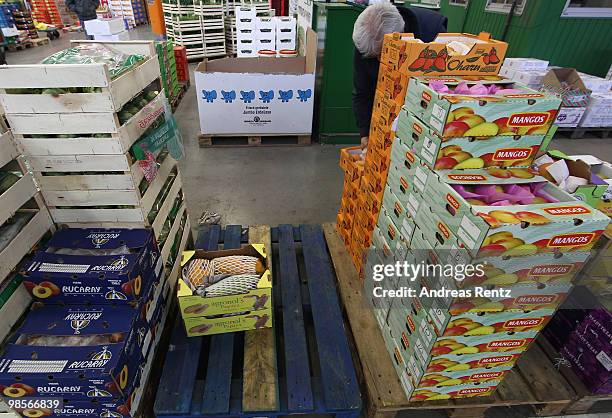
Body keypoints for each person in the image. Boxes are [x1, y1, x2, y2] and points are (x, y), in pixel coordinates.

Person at [352, 1, 447, 147]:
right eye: (373, 56)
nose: (378, 60)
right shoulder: (367, 43)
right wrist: (365, 132)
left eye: (381, 53)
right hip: (386, 107)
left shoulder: (432, 35)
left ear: (399, 36)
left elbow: (436, 89)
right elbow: (362, 91)